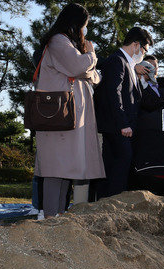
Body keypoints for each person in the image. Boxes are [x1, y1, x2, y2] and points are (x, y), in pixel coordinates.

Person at [33, 3, 104, 218]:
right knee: (56, 168)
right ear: (75, 23)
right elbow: (77, 67)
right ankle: (51, 219)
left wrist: (86, 65)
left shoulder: (67, 43)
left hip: (69, 115)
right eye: (84, 25)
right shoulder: (58, 41)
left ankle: (58, 217)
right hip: (58, 115)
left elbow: (94, 76)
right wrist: (91, 55)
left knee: (66, 169)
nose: (84, 31)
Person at [95, 26, 153, 199]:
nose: (143, 54)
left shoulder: (129, 64)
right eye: (144, 49)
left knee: (117, 165)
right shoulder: (117, 60)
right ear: (136, 45)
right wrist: (123, 124)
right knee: (119, 165)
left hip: (123, 127)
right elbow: (114, 93)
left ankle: (109, 201)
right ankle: (110, 202)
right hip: (117, 127)